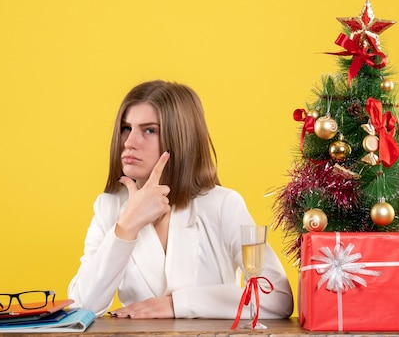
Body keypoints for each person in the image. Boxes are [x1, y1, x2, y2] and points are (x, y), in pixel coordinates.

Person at [67, 80, 293, 319]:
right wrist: (126, 226)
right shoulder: (108, 207)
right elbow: (81, 308)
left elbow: (277, 298)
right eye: (126, 128)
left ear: (180, 138)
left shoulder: (223, 205)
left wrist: (177, 304)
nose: (129, 143)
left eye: (149, 130)